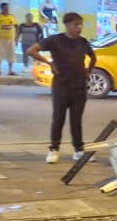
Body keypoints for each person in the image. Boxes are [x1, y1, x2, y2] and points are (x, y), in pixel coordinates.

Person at [27, 13, 97, 163]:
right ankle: (54, 149)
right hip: (61, 87)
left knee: (76, 120)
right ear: (67, 25)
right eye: (76, 24)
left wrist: (88, 70)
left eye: (80, 24)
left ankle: (79, 150)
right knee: (58, 119)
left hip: (79, 87)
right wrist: (49, 63)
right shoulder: (55, 40)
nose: (79, 28)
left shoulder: (83, 42)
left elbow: (93, 57)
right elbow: (31, 51)